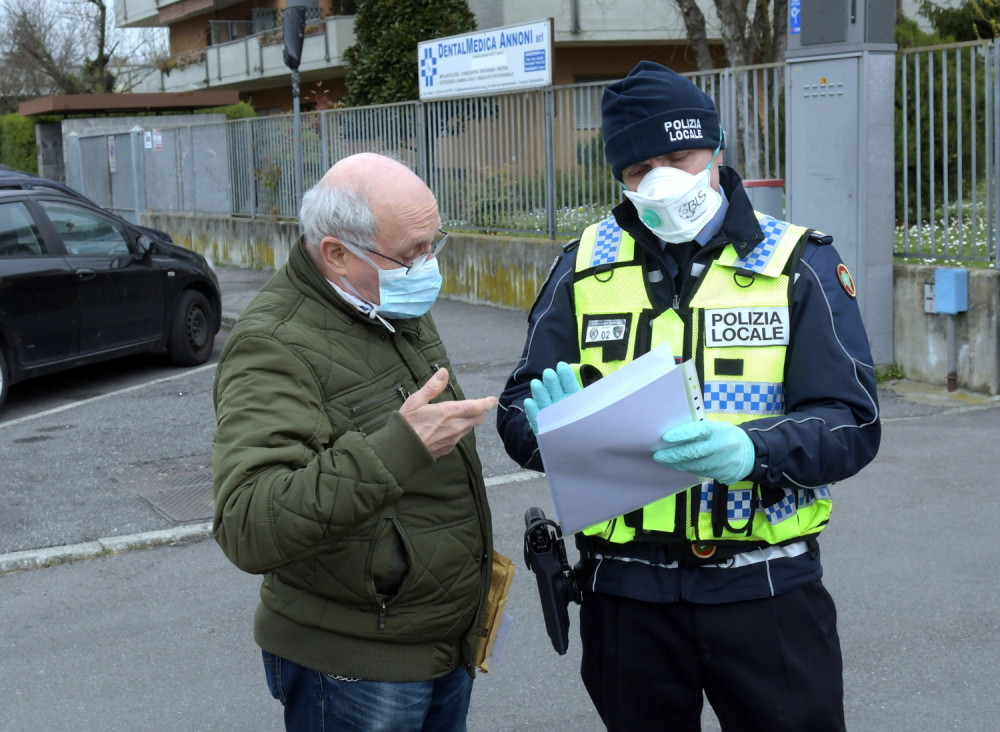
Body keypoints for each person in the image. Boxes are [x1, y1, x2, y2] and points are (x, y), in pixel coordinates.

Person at [497, 61, 881, 731]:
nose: (662, 180)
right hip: (626, 592)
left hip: (766, 588)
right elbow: (517, 411)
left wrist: (752, 451)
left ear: (717, 152)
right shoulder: (582, 265)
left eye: (679, 156)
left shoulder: (797, 262)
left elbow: (852, 422)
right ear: (619, 176)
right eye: (640, 169)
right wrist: (558, 431)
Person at [213, 152, 498, 732]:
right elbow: (248, 522)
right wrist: (399, 447)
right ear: (336, 255)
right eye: (412, 252)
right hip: (355, 665)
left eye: (433, 243)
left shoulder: (386, 301)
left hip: (440, 641)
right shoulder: (274, 345)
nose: (428, 265)